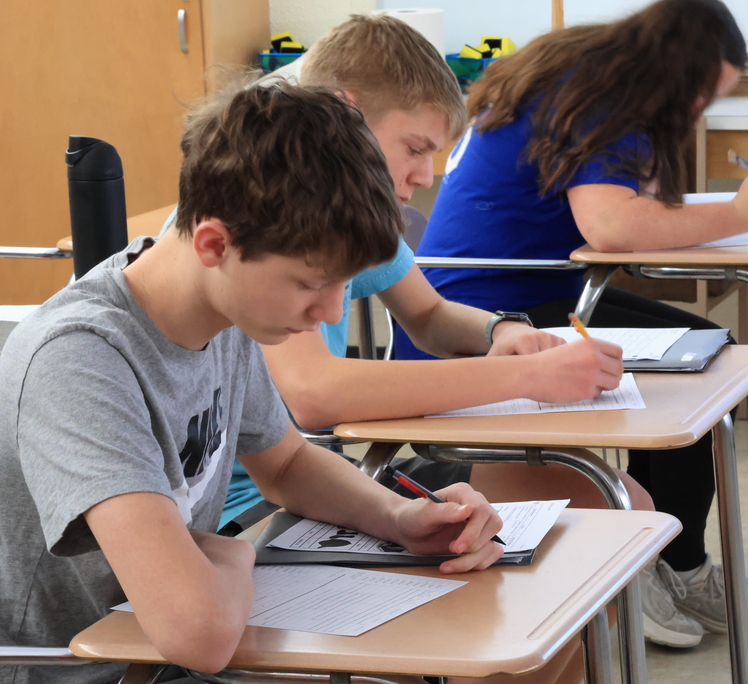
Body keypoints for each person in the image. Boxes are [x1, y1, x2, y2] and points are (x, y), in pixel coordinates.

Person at [160, 17, 703, 649]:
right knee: (557, 574)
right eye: (415, 148)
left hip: (310, 479)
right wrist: (521, 375)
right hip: (253, 511)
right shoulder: (266, 220)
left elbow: (429, 315)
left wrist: (503, 332)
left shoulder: (350, 213)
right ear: (346, 113)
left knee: (607, 522)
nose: (424, 176)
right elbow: (315, 393)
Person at [0, 82, 509, 684]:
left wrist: (399, 520)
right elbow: (198, 634)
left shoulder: (227, 312)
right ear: (216, 243)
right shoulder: (81, 359)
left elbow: (287, 464)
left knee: (493, 649)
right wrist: (233, 553)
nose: (329, 312)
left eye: (344, 284)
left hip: (178, 641)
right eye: (310, 283)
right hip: (94, 668)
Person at [400, 0, 748, 646]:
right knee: (690, 374)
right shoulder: (605, 103)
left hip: (516, 290)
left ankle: (671, 563)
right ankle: (667, 568)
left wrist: (728, 211)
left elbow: (619, 216)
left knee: (702, 354)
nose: (698, 114)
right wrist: (743, 212)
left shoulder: (584, 75)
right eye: (699, 96)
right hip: (491, 313)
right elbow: (611, 227)